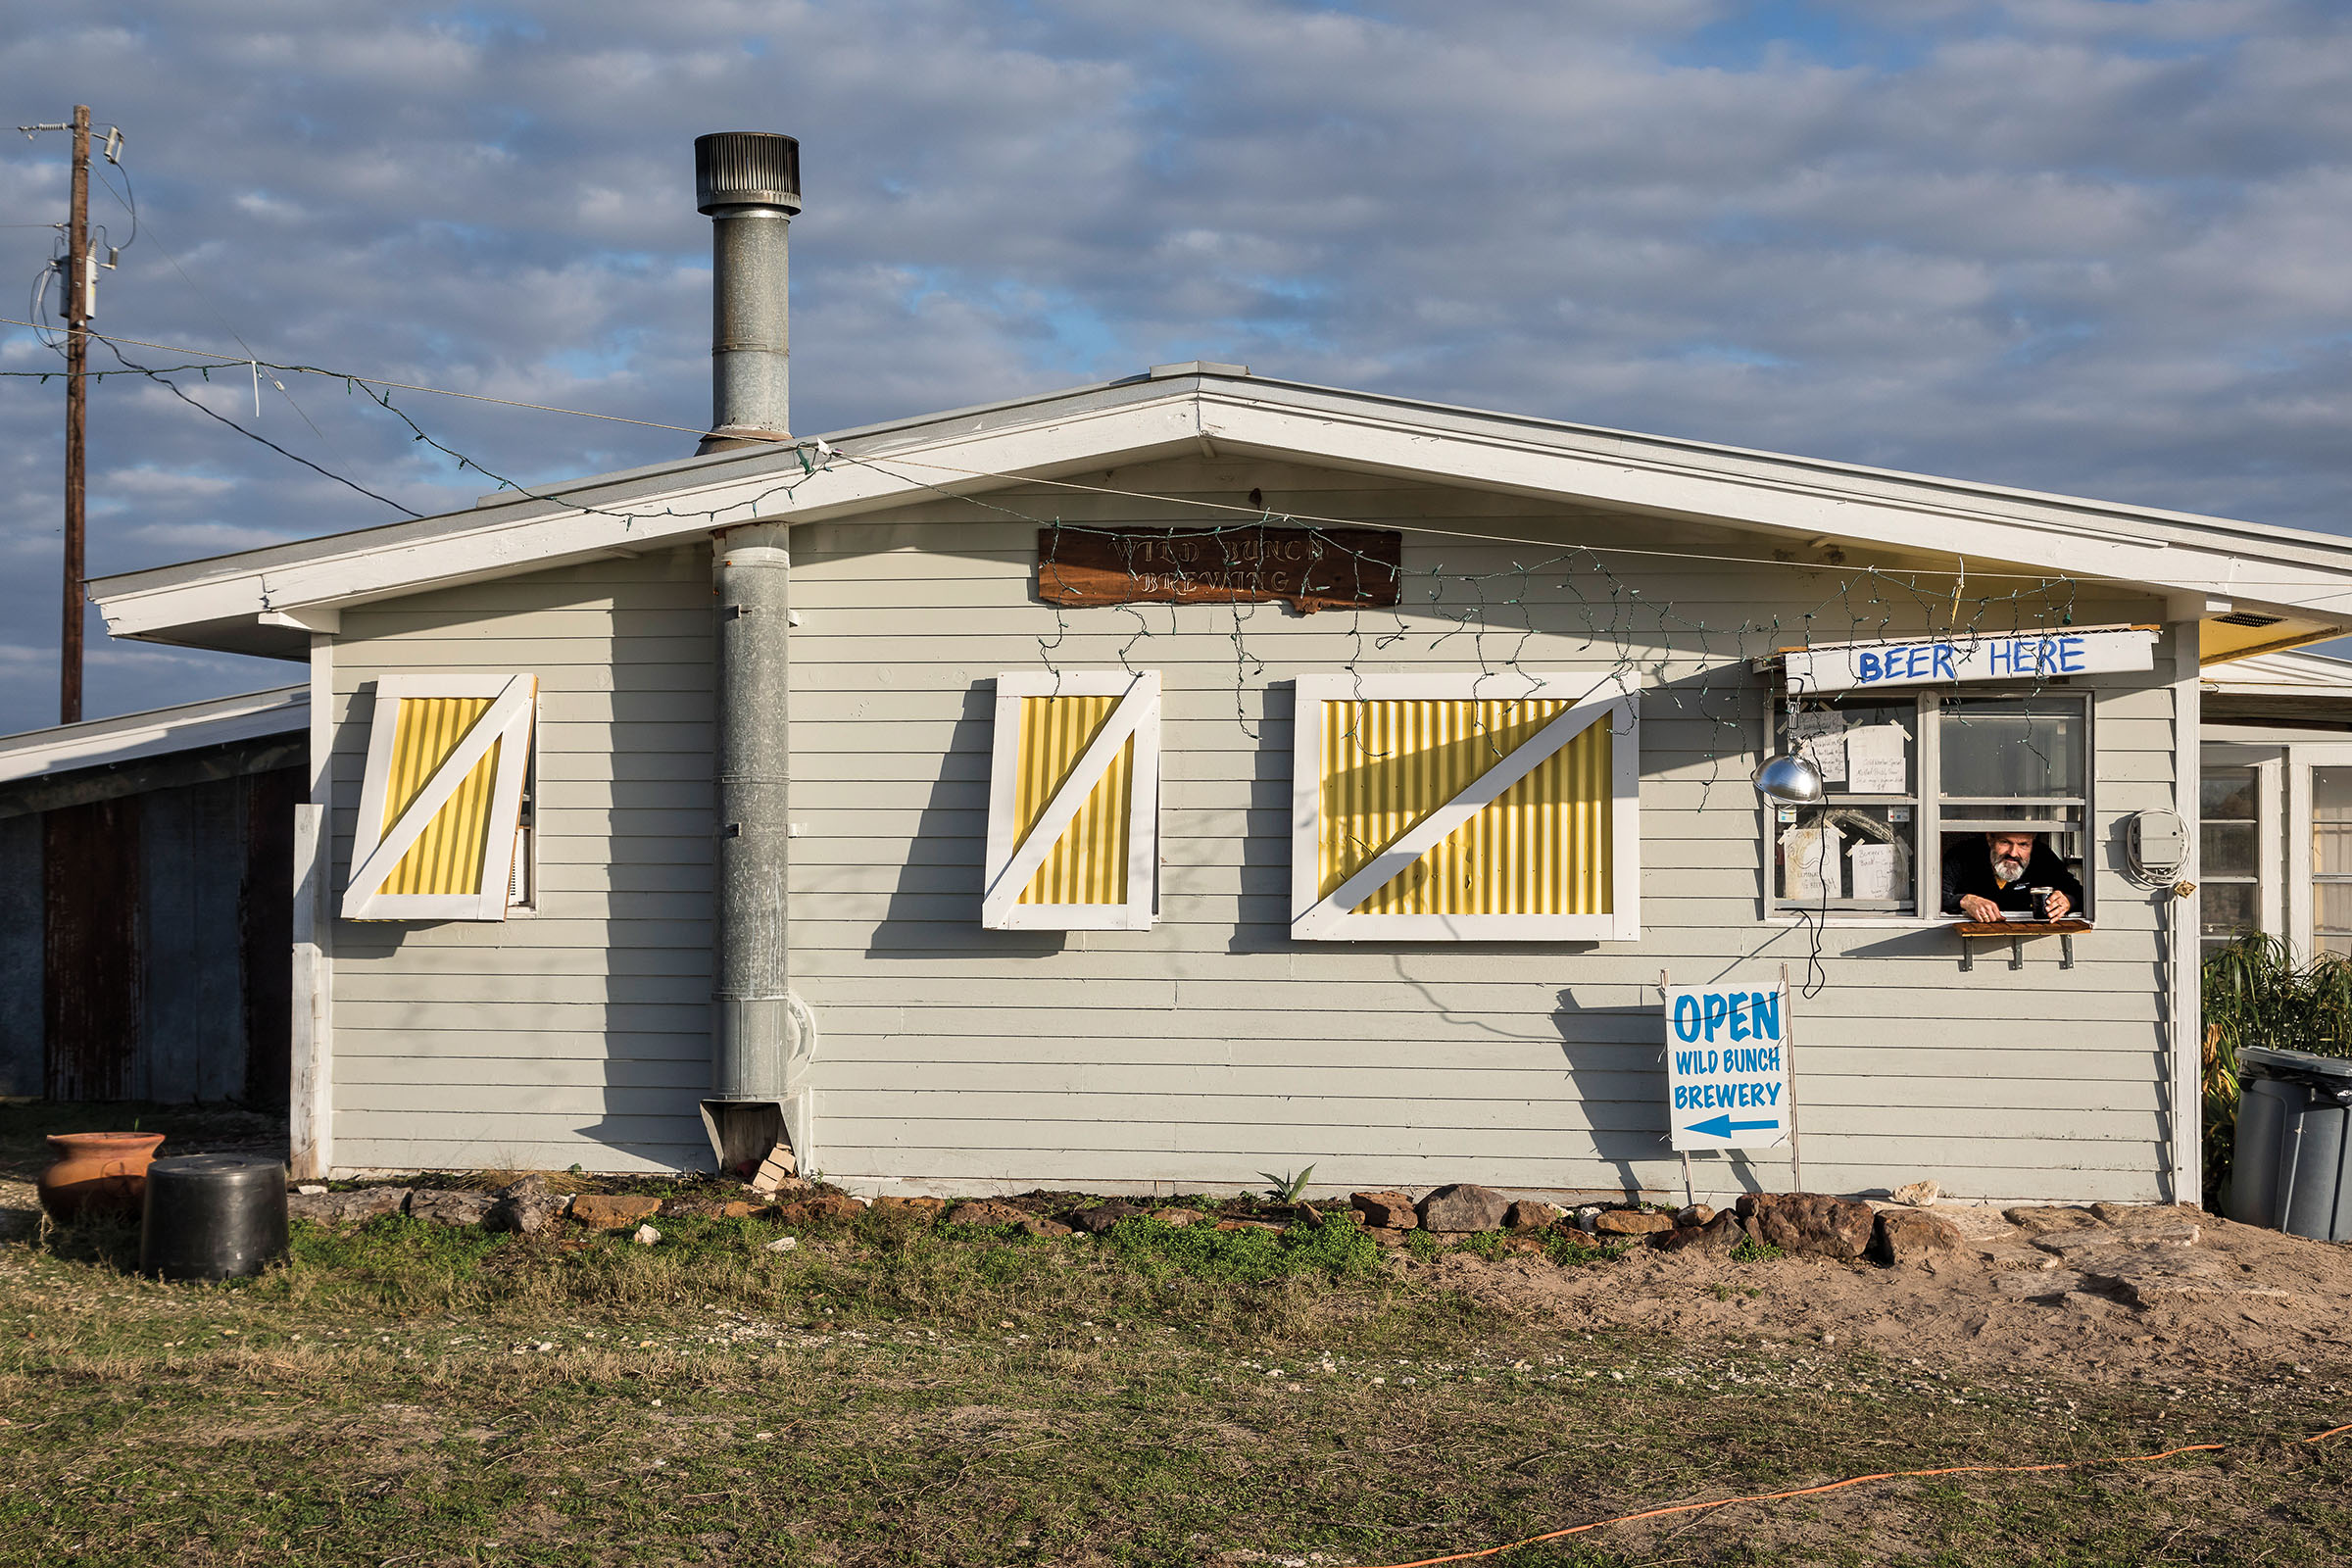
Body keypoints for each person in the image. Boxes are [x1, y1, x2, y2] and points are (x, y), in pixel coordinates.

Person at [1940, 829, 2083, 921]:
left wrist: (2068, 901)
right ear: (1990, 838)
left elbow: (2079, 894)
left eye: (2023, 844)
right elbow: (1933, 897)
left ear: (2032, 842)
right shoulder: (1962, 855)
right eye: (2005, 842)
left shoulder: (2041, 856)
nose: (2013, 853)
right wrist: (1964, 901)